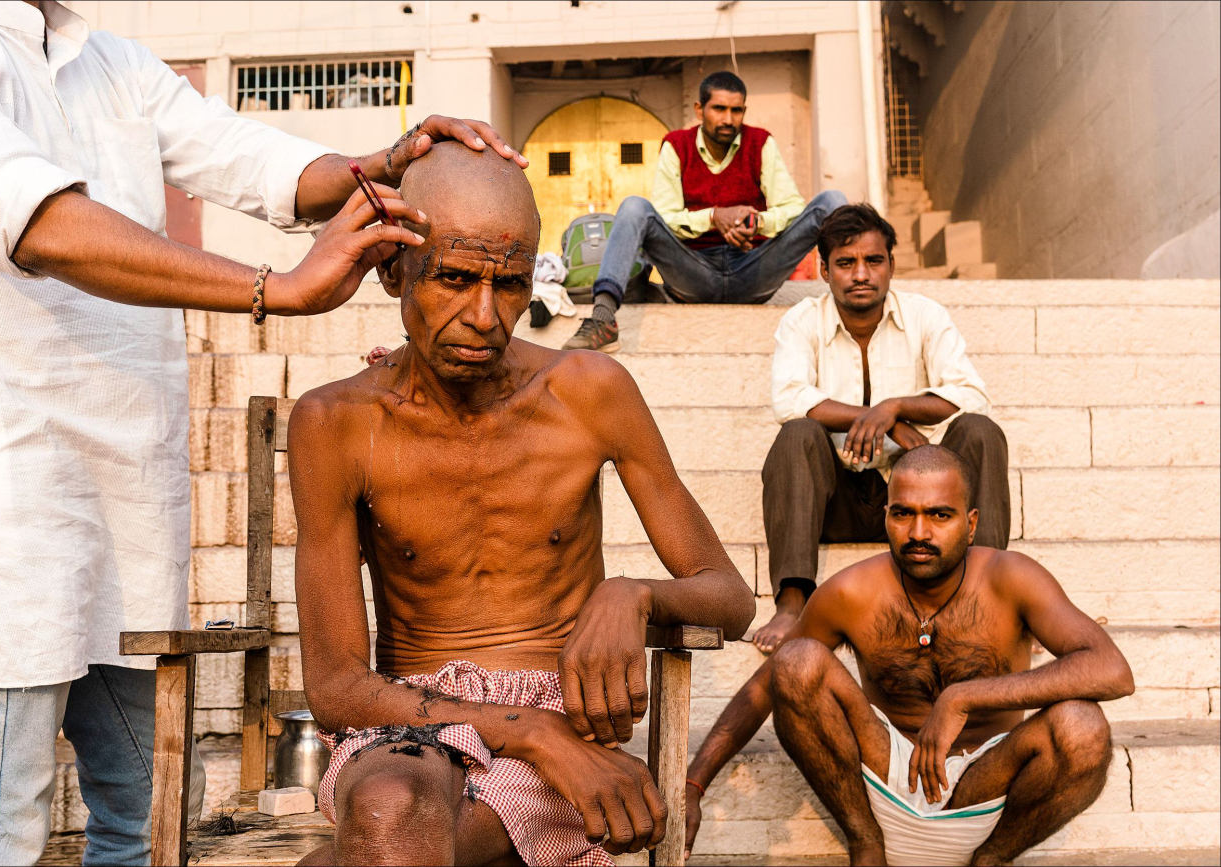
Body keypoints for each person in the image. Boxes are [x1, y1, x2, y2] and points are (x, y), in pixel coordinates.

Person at [0, 1, 527, 863]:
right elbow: (35, 220)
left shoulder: (111, 59)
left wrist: (382, 163)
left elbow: (257, 163)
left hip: (126, 500)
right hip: (5, 506)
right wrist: (272, 287)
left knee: (147, 815)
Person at [286, 142, 756, 866]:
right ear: (391, 269)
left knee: (386, 837)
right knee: (390, 803)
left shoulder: (589, 391)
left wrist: (632, 595)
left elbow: (729, 596)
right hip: (411, 718)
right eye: (452, 278)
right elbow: (338, 686)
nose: (484, 314)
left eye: (508, 284)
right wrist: (533, 734)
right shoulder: (336, 422)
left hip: (563, 715)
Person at [684, 445, 1135, 866]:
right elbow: (767, 684)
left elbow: (1111, 670)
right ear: (886, 517)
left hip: (985, 789)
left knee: (1083, 726)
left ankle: (991, 860)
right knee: (796, 659)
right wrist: (692, 784)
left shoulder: (1011, 578)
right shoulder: (852, 592)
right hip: (885, 784)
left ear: (972, 523)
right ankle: (866, 845)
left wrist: (963, 698)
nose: (919, 533)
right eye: (904, 514)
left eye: (940, 515)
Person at [752, 203, 1010, 653]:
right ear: (824, 269)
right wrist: (869, 418)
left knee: (980, 431)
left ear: (892, 264)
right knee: (797, 435)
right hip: (839, 499)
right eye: (846, 263)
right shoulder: (802, 321)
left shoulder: (926, 315)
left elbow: (973, 394)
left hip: (918, 502)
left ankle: (982, 595)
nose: (861, 274)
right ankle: (794, 602)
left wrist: (894, 408)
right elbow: (789, 399)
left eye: (873, 261)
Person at [562, 70, 846, 353]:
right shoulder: (676, 146)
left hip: (754, 270)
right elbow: (665, 215)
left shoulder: (760, 143)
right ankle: (603, 320)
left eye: (736, 110)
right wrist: (714, 217)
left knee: (832, 201)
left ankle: (849, 307)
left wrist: (757, 222)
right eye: (719, 109)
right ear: (700, 110)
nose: (728, 119)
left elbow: (793, 208)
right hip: (693, 273)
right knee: (635, 207)